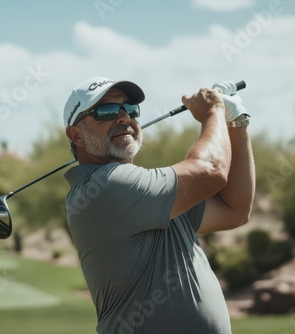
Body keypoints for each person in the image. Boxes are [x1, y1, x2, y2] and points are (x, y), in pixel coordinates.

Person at [63, 76, 255, 334]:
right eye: (106, 111)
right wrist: (213, 111)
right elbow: (211, 170)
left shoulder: (150, 192)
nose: (123, 118)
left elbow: (234, 210)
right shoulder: (104, 187)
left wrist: (236, 122)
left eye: (130, 110)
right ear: (76, 135)